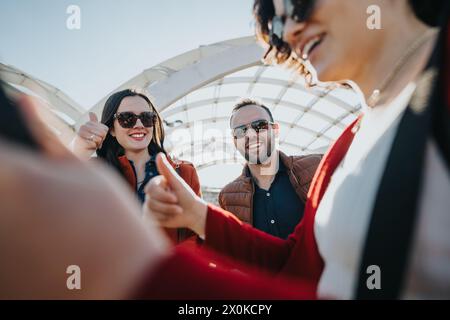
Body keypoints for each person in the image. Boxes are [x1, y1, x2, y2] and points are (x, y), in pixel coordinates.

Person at [144, 0, 450, 299]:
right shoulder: (347, 146)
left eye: (298, 5)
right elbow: (294, 265)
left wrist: (142, 272)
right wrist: (198, 215)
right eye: (278, 24)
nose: (289, 31)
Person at [71, 89, 201, 244]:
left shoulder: (184, 172)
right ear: (111, 129)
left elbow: (197, 236)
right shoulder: (92, 174)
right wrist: (77, 152)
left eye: (147, 118)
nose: (139, 125)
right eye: (127, 118)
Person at [219, 98, 321, 239]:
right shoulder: (228, 197)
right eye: (241, 130)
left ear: (275, 130)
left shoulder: (317, 167)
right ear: (234, 140)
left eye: (260, 125)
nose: (250, 135)